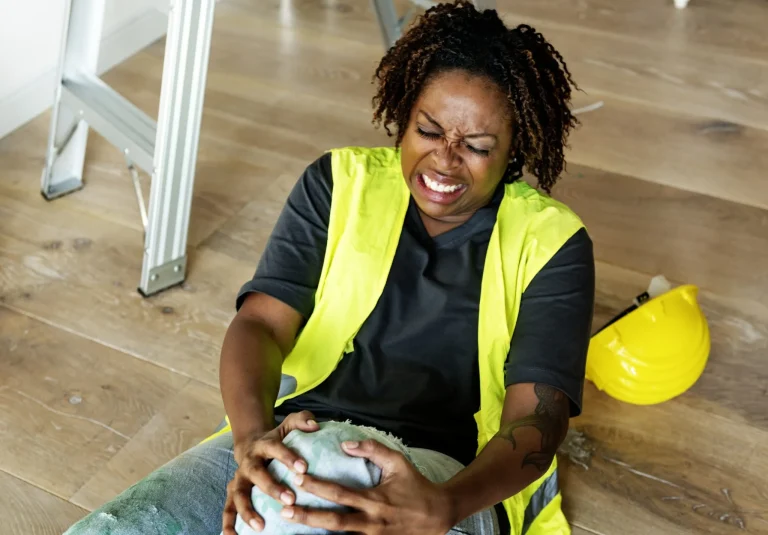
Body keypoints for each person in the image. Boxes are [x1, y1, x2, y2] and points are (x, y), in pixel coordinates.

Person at [63, 1, 594, 534]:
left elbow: (537, 416)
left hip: (446, 477)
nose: (445, 160)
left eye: (477, 147)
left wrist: (445, 505)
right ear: (403, 116)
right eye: (428, 131)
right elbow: (260, 325)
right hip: (294, 434)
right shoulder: (337, 184)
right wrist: (251, 440)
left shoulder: (551, 242)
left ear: (514, 151)